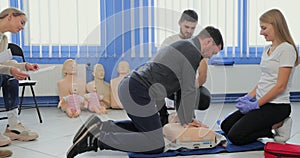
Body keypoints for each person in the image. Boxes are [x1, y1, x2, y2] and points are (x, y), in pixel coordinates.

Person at [66, 26, 223, 158]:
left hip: (133, 86)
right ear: (209, 41)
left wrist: (179, 119)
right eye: (213, 52)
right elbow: (189, 90)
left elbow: (178, 90)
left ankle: (102, 127)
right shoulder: (193, 52)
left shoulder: (184, 46)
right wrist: (188, 120)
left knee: (153, 129)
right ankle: (97, 139)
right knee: (155, 143)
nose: (210, 57)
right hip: (137, 90)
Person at [220, 9, 298, 145]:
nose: (261, 32)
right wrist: (249, 97)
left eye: (264, 28)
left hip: (277, 106)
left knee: (235, 136)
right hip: (262, 102)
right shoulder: (267, 49)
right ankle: (266, 124)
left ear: (276, 25)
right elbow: (265, 79)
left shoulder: (287, 49)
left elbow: (280, 86)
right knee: (226, 126)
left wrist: (256, 105)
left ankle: (277, 126)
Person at [159, 9, 211, 126]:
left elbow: (202, 76)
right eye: (186, 27)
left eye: (192, 28)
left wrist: (192, 87)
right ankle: (167, 119)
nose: (189, 31)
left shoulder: (199, 45)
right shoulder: (169, 42)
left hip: (189, 85)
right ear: (180, 22)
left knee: (204, 99)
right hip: (170, 84)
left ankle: (187, 118)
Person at [0, 7, 39, 148]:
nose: (22, 27)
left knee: (10, 76)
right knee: (6, 73)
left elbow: (2, 62)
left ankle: (13, 126)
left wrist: (23, 66)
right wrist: (10, 69)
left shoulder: (3, 38)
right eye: (21, 22)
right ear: (10, 16)